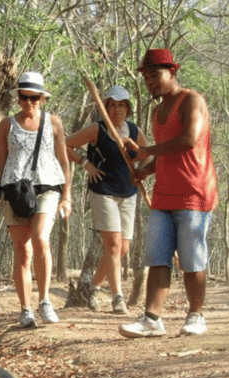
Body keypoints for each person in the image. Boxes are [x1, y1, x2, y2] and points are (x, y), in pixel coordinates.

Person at [119, 49, 217, 338]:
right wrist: (146, 169)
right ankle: (152, 319)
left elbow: (188, 140)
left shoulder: (191, 100)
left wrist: (146, 151)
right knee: (157, 256)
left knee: (191, 258)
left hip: (194, 192)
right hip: (163, 194)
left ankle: (196, 315)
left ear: (172, 71)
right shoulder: (156, 110)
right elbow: (164, 154)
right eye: (147, 77)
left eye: (156, 75)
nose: (151, 82)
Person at [0, 72, 72, 328]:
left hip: (47, 189)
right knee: (22, 252)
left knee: (40, 238)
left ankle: (45, 300)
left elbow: (64, 160)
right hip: (15, 192)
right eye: (24, 96)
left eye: (34, 97)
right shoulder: (6, 125)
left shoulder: (54, 123)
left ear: (42, 98)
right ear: (18, 98)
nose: (29, 102)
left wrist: (67, 196)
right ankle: (26, 310)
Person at [66, 85, 149, 315]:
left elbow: (146, 153)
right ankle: (118, 298)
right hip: (103, 191)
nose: (116, 109)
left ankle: (92, 288)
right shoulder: (97, 129)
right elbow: (65, 144)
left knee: (122, 249)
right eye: (112, 105)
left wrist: (140, 171)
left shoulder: (133, 130)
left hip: (128, 193)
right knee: (111, 245)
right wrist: (85, 163)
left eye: (121, 105)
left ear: (128, 108)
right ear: (105, 107)